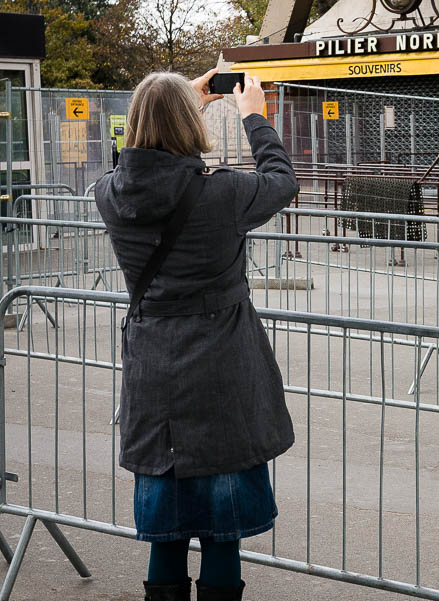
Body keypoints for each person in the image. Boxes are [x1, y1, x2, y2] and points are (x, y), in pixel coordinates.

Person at [95, 69, 297, 601]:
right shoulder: (224, 192)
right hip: (221, 372)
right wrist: (254, 115)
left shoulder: (109, 195)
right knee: (221, 528)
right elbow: (282, 181)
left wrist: (176, 94)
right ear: (192, 123)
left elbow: (133, 166)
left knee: (167, 526)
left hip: (153, 367)